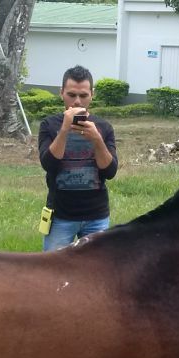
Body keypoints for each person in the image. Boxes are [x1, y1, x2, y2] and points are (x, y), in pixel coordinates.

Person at [38, 65, 117, 251]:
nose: (77, 102)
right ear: (61, 93)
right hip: (60, 215)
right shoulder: (49, 125)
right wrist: (65, 129)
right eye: (71, 95)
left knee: (96, 267)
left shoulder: (103, 127)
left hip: (96, 216)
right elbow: (48, 164)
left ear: (92, 94)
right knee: (54, 267)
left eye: (83, 95)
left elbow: (110, 171)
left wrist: (97, 139)